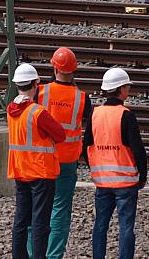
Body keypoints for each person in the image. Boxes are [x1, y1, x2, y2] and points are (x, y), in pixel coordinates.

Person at [85, 68, 147, 259]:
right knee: (126, 227)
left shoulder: (95, 114)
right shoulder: (126, 115)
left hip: (102, 182)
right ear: (121, 89)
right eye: (127, 86)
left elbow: (85, 146)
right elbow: (138, 150)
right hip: (126, 183)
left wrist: (96, 169)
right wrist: (142, 177)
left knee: (100, 225)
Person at [36, 47, 91, 259]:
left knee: (38, 209)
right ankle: (53, 255)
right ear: (74, 69)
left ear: (54, 66)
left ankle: (34, 254)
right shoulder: (82, 98)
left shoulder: (40, 92)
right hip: (67, 162)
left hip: (43, 159)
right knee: (60, 211)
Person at [8, 62, 66, 259]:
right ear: (36, 84)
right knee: (40, 222)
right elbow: (60, 135)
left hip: (20, 170)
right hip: (41, 172)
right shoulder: (38, 112)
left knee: (21, 221)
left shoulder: (11, 110)